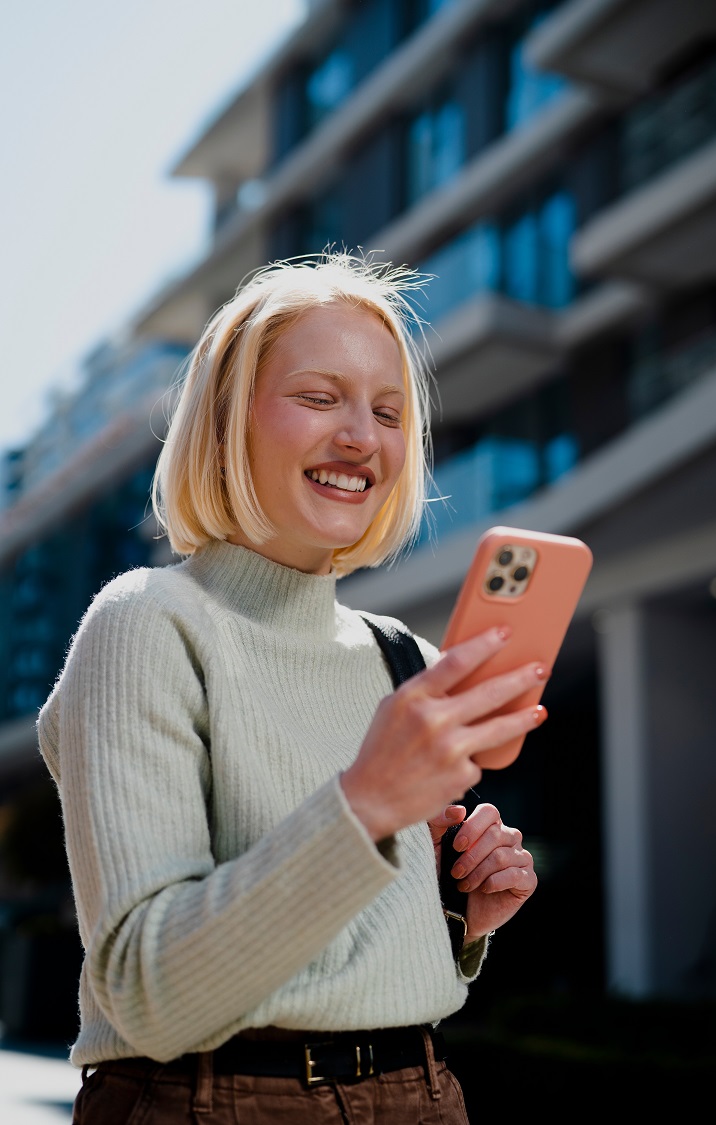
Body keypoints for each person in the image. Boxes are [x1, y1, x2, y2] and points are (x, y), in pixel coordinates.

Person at [38, 252, 545, 1124]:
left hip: (420, 1093)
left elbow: (336, 938)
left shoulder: (401, 658)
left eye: (388, 412)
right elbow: (150, 995)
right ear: (229, 420)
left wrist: (457, 920)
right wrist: (367, 804)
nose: (362, 437)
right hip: (208, 1099)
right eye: (319, 397)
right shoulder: (146, 625)